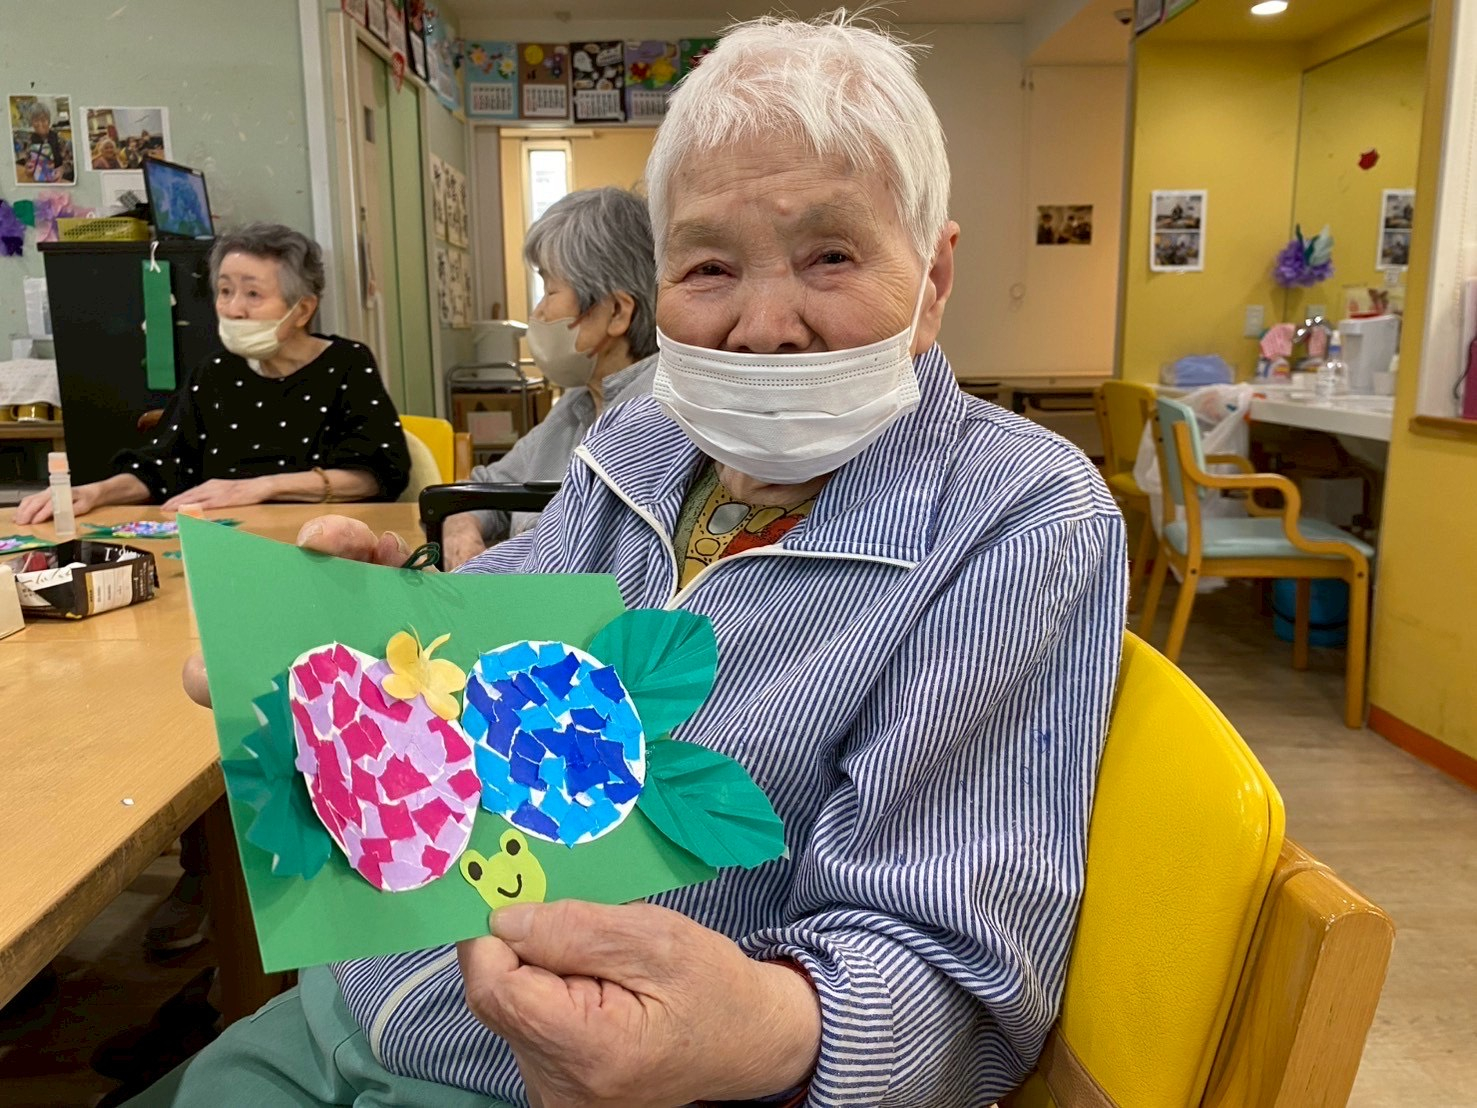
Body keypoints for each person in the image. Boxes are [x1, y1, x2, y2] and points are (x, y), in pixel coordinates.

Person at [137, 13, 1125, 1107]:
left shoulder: (1014, 516)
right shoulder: (646, 438)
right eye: (708, 266)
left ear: (932, 280)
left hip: (558, 1079)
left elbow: (954, 965)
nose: (763, 325)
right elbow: (519, 615)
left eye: (832, 256)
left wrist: (761, 1028)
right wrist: (371, 615)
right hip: (358, 986)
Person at [16, 222, 410, 524]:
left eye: (253, 294)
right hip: (227, 544)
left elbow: (377, 473)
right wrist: (95, 493)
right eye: (225, 290)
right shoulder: (215, 372)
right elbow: (162, 466)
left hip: (321, 543)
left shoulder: (347, 363)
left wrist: (260, 488)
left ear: (303, 309)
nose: (233, 308)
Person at [442, 186, 658, 568]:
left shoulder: (655, 419)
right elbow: (483, 487)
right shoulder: (577, 406)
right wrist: (461, 529)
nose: (538, 313)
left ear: (617, 312)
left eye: (550, 290)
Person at [20, 102, 71, 185]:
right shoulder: (30, 141)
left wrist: (62, 169)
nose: (40, 124)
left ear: (49, 121)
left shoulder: (58, 139)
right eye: (36, 120)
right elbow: (28, 161)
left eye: (43, 120)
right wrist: (28, 168)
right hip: (38, 181)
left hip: (58, 181)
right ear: (32, 122)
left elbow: (70, 162)